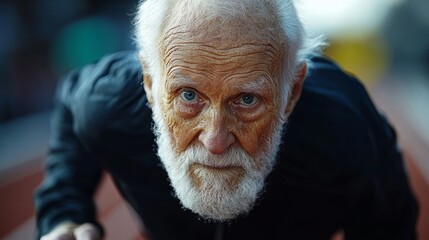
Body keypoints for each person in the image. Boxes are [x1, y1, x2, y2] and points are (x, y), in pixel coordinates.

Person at [34, 0, 418, 239]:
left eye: (247, 99)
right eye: (188, 96)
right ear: (150, 85)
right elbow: (71, 104)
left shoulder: (349, 133)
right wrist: (63, 215)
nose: (215, 141)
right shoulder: (109, 104)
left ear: (292, 94)